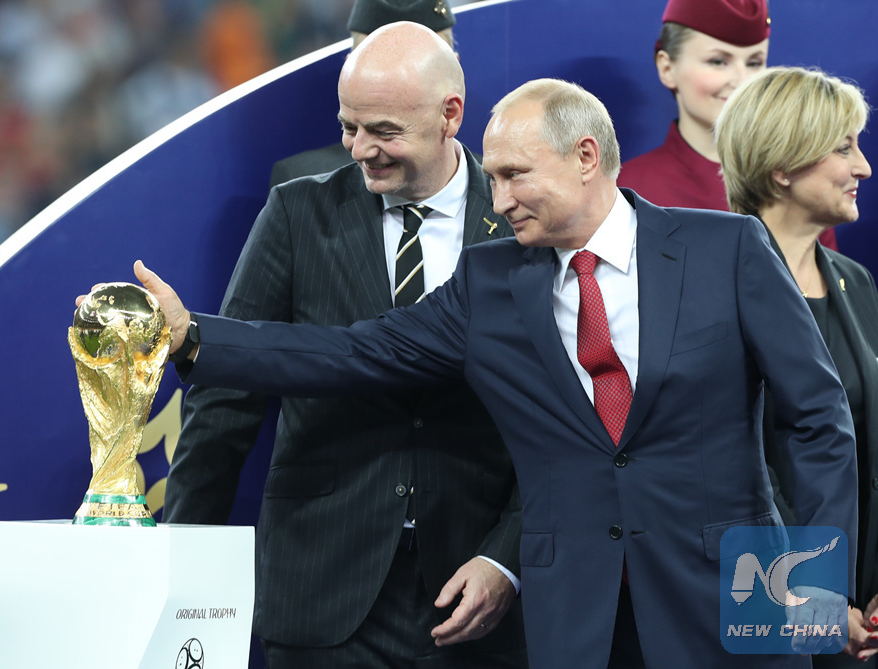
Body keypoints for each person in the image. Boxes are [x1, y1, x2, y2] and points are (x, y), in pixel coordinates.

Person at [109, 77, 858, 669]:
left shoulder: (727, 249)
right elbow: (354, 352)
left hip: (730, 598)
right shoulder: (490, 280)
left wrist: (814, 585)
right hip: (572, 620)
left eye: (514, 175)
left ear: (586, 157)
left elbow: (817, 420)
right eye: (491, 178)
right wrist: (196, 338)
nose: (497, 200)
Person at [162, 22, 528, 669]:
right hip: (321, 590)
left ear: (450, 115)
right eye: (348, 127)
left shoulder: (519, 225)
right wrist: (182, 567)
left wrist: (507, 557)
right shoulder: (297, 212)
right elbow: (224, 406)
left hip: (477, 595)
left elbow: (562, 424)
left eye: (383, 131)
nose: (361, 149)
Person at [716, 66, 878, 666]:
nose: (863, 167)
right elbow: (735, 464)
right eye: (844, 148)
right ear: (782, 166)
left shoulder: (855, 281)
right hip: (769, 596)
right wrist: (818, 593)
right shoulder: (714, 285)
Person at [617, 0, 837, 250]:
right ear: (667, 68)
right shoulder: (628, 191)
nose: (742, 82)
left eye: (754, 63)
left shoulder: (801, 181)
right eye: (718, 61)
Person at [269, 0, 457, 188]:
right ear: (349, 68)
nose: (360, 152)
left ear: (455, 70)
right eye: (376, 68)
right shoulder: (303, 187)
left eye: (421, 70)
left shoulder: (477, 176)